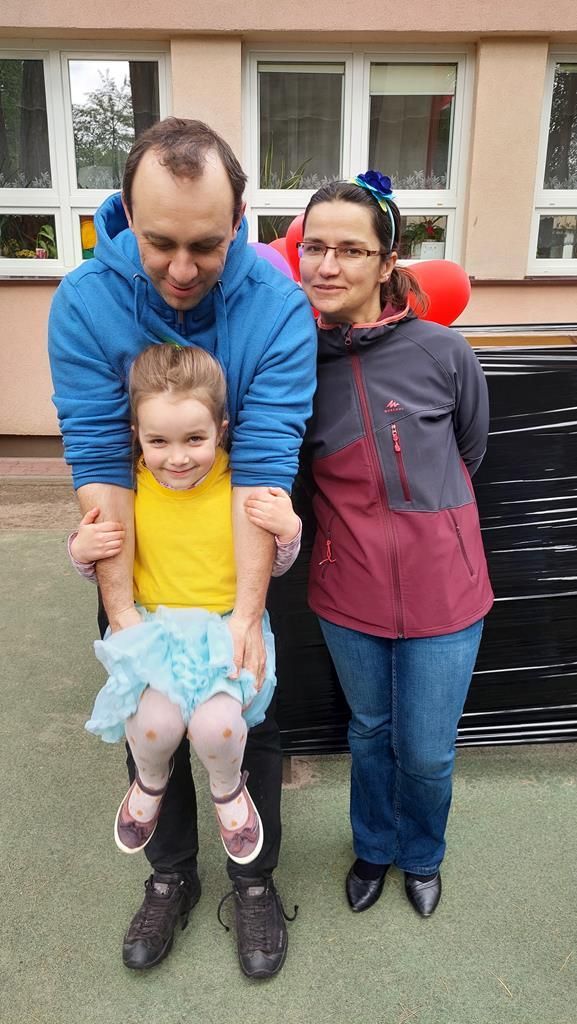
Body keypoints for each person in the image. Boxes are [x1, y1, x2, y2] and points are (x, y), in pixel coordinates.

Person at [48, 118, 317, 978]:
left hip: (237, 555)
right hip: (145, 563)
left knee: (249, 719)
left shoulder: (276, 306)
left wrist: (245, 615)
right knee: (150, 720)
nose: (182, 268)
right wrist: (122, 615)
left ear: (239, 219)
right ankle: (170, 877)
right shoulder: (85, 301)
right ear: (127, 214)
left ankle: (253, 881)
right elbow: (100, 457)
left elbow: (265, 464)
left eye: (206, 245)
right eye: (159, 242)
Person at [297, 171, 493, 918]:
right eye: (315, 246)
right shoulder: (294, 363)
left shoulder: (443, 352)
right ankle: (373, 847)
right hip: (347, 590)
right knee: (370, 731)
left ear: (386, 263)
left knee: (428, 750)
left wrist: (430, 530)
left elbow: (471, 449)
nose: (328, 265)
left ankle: (422, 855)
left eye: (350, 249)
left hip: (446, 590)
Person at [68, 344, 301, 878]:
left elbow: (274, 563)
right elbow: (102, 559)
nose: (177, 457)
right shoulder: (129, 489)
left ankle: (228, 790)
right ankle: (150, 783)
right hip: (156, 633)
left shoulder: (239, 486)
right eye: (159, 442)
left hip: (223, 633)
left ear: (221, 430)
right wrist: (80, 550)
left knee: (218, 728)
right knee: (153, 726)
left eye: (195, 439)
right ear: (137, 436)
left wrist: (288, 531)